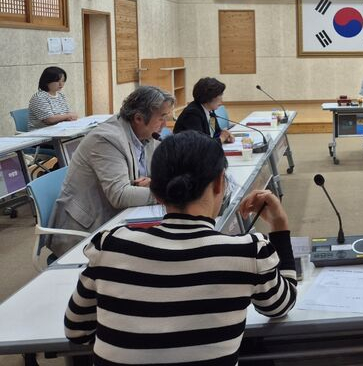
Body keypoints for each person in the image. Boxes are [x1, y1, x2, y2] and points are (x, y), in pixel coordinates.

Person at [64, 131, 297, 364]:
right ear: (219, 183)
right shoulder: (247, 253)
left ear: (156, 192)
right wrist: (279, 226)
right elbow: (281, 305)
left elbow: (76, 330)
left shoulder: (110, 246)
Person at [47, 86, 175, 257]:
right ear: (138, 118)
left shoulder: (145, 134)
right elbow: (120, 195)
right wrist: (170, 194)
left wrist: (154, 183)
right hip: (86, 232)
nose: (165, 125)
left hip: (117, 219)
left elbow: (158, 173)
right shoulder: (107, 139)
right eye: (161, 118)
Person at [173, 77, 234, 143]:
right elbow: (199, 143)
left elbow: (215, 133)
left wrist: (225, 136)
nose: (222, 99)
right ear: (209, 97)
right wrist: (221, 138)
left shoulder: (209, 109)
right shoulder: (192, 114)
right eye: (220, 95)